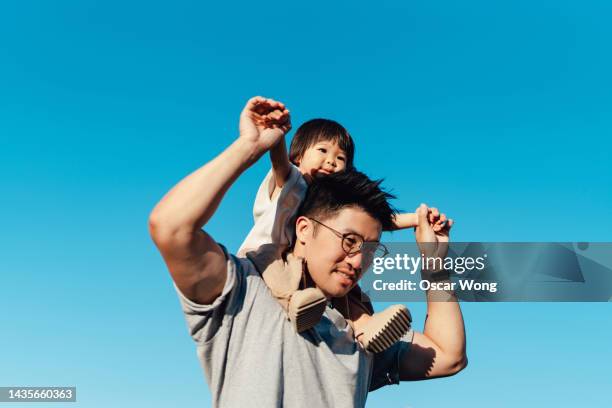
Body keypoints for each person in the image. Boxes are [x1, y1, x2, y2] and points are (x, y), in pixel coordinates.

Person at [148, 97, 467, 407]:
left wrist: (434, 262)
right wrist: (251, 146)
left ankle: (362, 318)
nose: (358, 260)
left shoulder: (353, 338)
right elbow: (171, 227)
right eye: (349, 240)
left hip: (342, 320)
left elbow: (449, 356)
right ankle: (297, 300)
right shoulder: (244, 295)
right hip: (271, 269)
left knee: (358, 310)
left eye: (370, 250)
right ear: (303, 229)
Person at [236, 97, 426, 352]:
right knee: (281, 270)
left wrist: (417, 218)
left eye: (341, 157)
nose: (332, 161)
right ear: (299, 156)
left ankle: (366, 325)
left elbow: (370, 223)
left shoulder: (331, 201)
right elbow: (279, 162)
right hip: (266, 255)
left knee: (350, 286)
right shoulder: (291, 180)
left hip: (307, 264)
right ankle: (295, 302)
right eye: (323, 151)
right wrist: (276, 135)